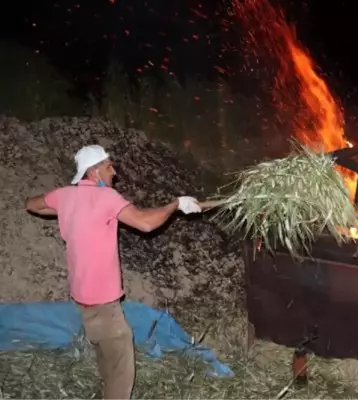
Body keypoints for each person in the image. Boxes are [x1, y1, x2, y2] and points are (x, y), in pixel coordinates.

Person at [25, 145, 218, 400]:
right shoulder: (107, 197)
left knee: (106, 351)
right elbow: (146, 223)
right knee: (121, 369)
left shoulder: (65, 195)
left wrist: (63, 209)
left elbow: (32, 205)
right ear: (93, 173)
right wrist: (175, 204)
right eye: (108, 166)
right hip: (103, 302)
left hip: (81, 296)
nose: (114, 172)